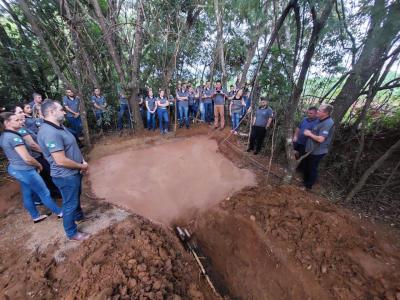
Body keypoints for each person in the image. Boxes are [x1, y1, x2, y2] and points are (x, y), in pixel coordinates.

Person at [37, 100, 90, 241]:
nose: (64, 111)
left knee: (75, 197)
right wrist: (81, 166)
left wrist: (82, 161)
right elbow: (60, 160)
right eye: (61, 109)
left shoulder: (58, 126)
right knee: (69, 204)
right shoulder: (49, 132)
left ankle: (79, 217)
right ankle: (72, 233)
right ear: (51, 112)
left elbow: (71, 146)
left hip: (73, 172)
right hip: (65, 176)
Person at [0, 112, 62, 223]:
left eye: (20, 119)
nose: (20, 121)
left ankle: (35, 216)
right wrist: (38, 164)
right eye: (16, 120)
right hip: (26, 170)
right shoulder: (14, 137)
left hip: (16, 169)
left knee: (27, 192)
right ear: (7, 123)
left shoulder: (4, 136)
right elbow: (27, 158)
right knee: (44, 192)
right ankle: (60, 212)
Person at [302, 104, 335, 190]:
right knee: (306, 166)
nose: (317, 111)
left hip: (317, 151)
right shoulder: (319, 119)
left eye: (320, 110)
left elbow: (320, 139)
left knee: (312, 168)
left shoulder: (328, 123)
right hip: (310, 149)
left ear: (326, 113)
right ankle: (304, 182)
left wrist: (309, 134)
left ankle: (308, 186)